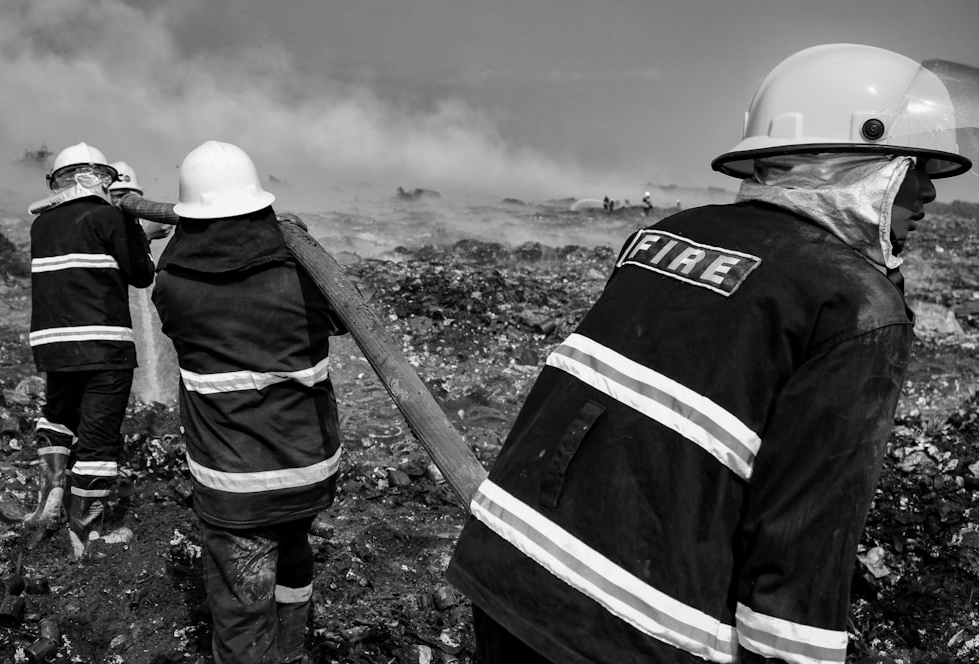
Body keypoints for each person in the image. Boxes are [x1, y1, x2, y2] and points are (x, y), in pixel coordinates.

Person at [446, 43, 977, 664]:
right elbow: (805, 531)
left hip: (504, 570)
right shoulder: (854, 305)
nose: (930, 193)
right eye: (915, 165)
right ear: (857, 166)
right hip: (632, 629)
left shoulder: (667, 234)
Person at [150, 140, 347, 664]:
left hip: (236, 483)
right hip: (310, 469)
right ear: (261, 208)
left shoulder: (173, 286)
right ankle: (290, 650)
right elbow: (346, 316)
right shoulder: (302, 274)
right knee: (293, 551)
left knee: (241, 600)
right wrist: (300, 241)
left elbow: (180, 267)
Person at [25, 142, 156, 558]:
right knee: (99, 441)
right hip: (104, 346)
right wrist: (140, 232)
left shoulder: (41, 225)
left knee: (59, 416)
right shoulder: (108, 217)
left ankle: (51, 493)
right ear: (101, 177)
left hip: (53, 346)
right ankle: (87, 537)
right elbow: (141, 274)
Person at [108, 160, 172, 242]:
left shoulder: (134, 224)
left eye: (133, 197)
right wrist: (147, 234)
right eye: (119, 195)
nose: (127, 202)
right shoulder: (99, 226)